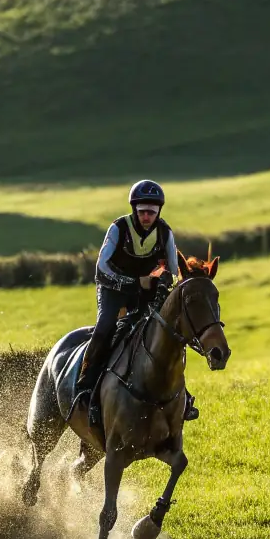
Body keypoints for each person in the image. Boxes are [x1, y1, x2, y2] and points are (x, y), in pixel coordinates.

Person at [73, 179, 199, 429]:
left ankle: (180, 396)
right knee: (106, 327)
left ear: (158, 212)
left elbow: (173, 270)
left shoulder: (164, 232)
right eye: (142, 211)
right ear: (134, 210)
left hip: (144, 292)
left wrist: (161, 282)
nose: (146, 217)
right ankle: (85, 386)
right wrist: (132, 283)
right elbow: (101, 267)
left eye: (151, 212)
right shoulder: (118, 228)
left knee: (164, 335)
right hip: (112, 289)